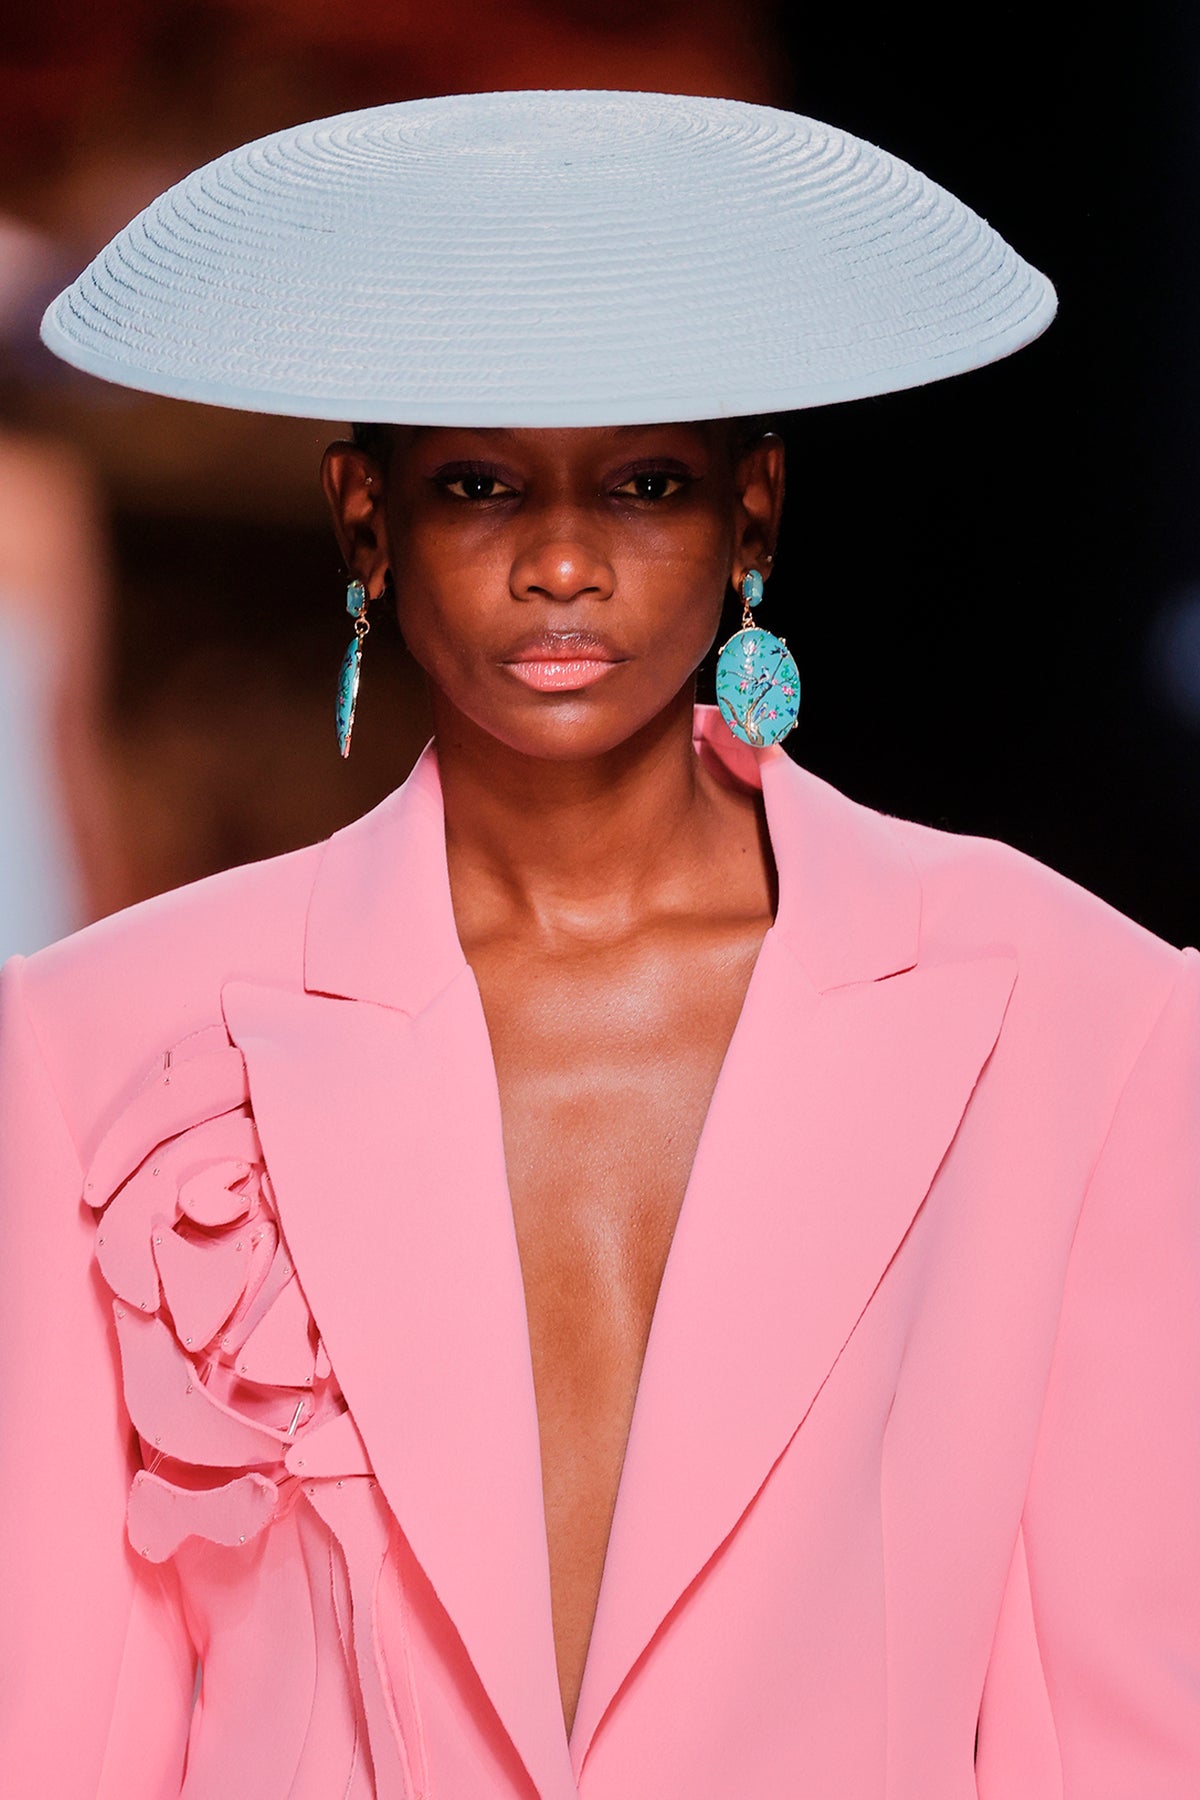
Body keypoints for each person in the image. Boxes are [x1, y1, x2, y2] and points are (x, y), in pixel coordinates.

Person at [1, 90, 1196, 1800]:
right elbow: (61, 1739)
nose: (562, 562)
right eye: (480, 485)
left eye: (644, 485)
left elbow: (1130, 1733)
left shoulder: (1084, 1020)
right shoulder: (95, 1047)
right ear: (365, 519)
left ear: (752, 513)